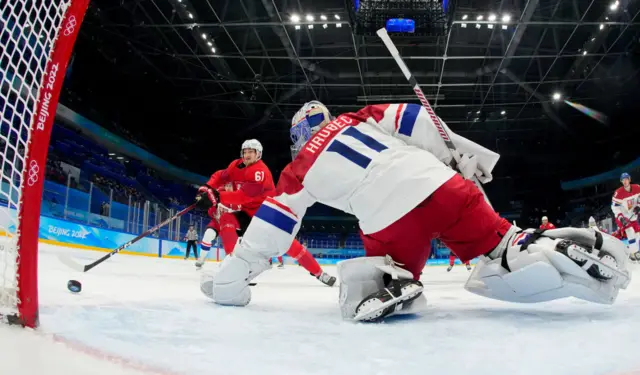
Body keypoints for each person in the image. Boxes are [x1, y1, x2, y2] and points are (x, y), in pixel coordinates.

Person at [201, 101, 631, 322]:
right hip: (445, 187)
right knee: (501, 246)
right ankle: (545, 248)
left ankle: (393, 281)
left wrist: (230, 284)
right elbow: (415, 119)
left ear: (297, 135)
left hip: (390, 220)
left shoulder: (297, 170)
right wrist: (463, 157)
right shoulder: (357, 117)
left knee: (384, 264)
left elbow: (268, 233)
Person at [195, 140, 336, 286]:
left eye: (251, 151)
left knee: (290, 245)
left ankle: (320, 273)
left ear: (258, 154)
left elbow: (244, 196)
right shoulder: (236, 165)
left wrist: (217, 196)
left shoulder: (259, 171)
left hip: (267, 215)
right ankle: (233, 266)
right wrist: (207, 187)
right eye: (245, 151)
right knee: (226, 219)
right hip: (247, 213)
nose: (247, 154)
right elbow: (221, 176)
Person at [612, 172, 640, 259]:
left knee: (638, 234)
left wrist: (639, 206)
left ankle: (632, 251)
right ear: (621, 181)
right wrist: (621, 218)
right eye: (623, 180)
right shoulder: (618, 193)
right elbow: (614, 207)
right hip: (622, 217)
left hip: (633, 216)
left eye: (626, 179)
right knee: (630, 231)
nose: (625, 181)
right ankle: (634, 253)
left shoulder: (637, 188)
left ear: (629, 180)